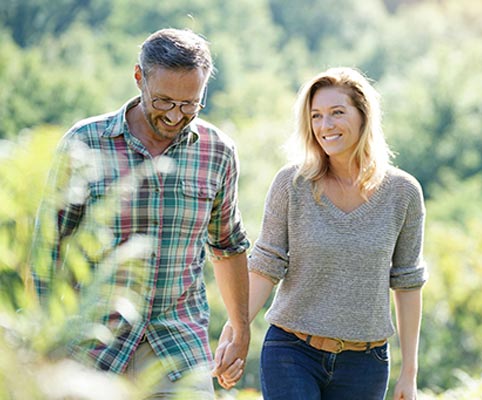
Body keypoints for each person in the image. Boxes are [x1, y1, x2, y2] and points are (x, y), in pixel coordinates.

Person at [31, 28, 249, 399]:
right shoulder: (85, 142)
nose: (175, 115)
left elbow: (227, 244)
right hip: (94, 341)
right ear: (139, 78)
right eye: (164, 101)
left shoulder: (218, 152)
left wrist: (240, 328)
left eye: (190, 104)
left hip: (177, 340)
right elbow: (49, 246)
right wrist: (42, 338)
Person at [216, 67, 428, 399]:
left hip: (366, 363)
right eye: (316, 116)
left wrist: (410, 374)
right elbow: (265, 266)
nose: (325, 126)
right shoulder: (292, 184)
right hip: (292, 352)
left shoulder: (402, 193)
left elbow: (407, 282)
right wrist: (235, 331)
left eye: (337, 113)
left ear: (363, 116)